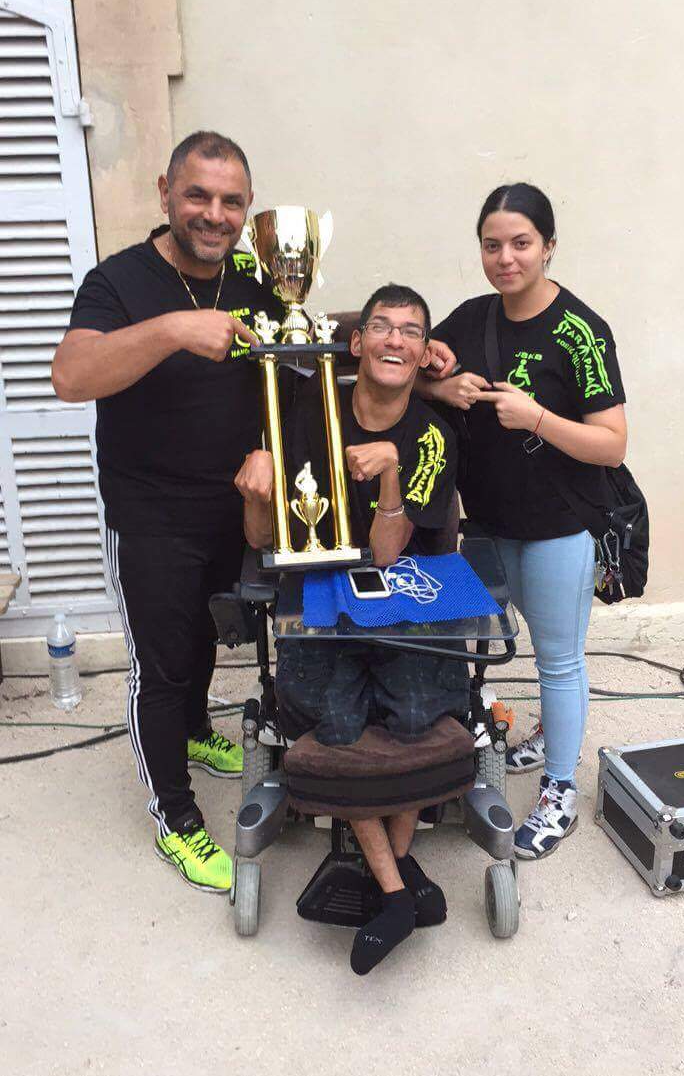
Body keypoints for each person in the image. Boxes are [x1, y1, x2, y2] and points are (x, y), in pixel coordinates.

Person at [52, 130, 278, 894]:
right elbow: (71, 376)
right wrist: (173, 330)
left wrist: (388, 339)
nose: (214, 214)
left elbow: (293, 346)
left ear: (247, 208)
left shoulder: (251, 279)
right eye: (198, 196)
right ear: (164, 193)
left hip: (233, 505)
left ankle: (195, 730)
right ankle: (175, 818)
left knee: (205, 634)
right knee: (162, 664)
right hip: (150, 514)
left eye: (231, 202)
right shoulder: (118, 281)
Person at [236, 284, 469, 973]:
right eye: (381, 327)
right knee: (336, 720)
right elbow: (261, 539)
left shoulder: (432, 435)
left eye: (411, 331)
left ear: (424, 353)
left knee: (418, 713)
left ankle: (388, 882)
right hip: (318, 589)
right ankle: (400, 886)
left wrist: (391, 471)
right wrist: (255, 494)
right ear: (358, 343)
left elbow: (390, 552)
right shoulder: (305, 414)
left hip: (403, 590)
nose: (395, 340)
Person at [424, 183, 627, 860]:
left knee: (559, 661)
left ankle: (560, 789)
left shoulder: (580, 330)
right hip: (484, 525)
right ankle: (536, 740)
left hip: (558, 528)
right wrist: (438, 386)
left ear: (548, 247)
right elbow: (408, 373)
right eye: (492, 245)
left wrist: (536, 417)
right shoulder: (470, 318)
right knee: (478, 649)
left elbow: (612, 444)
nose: (505, 258)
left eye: (520, 243)